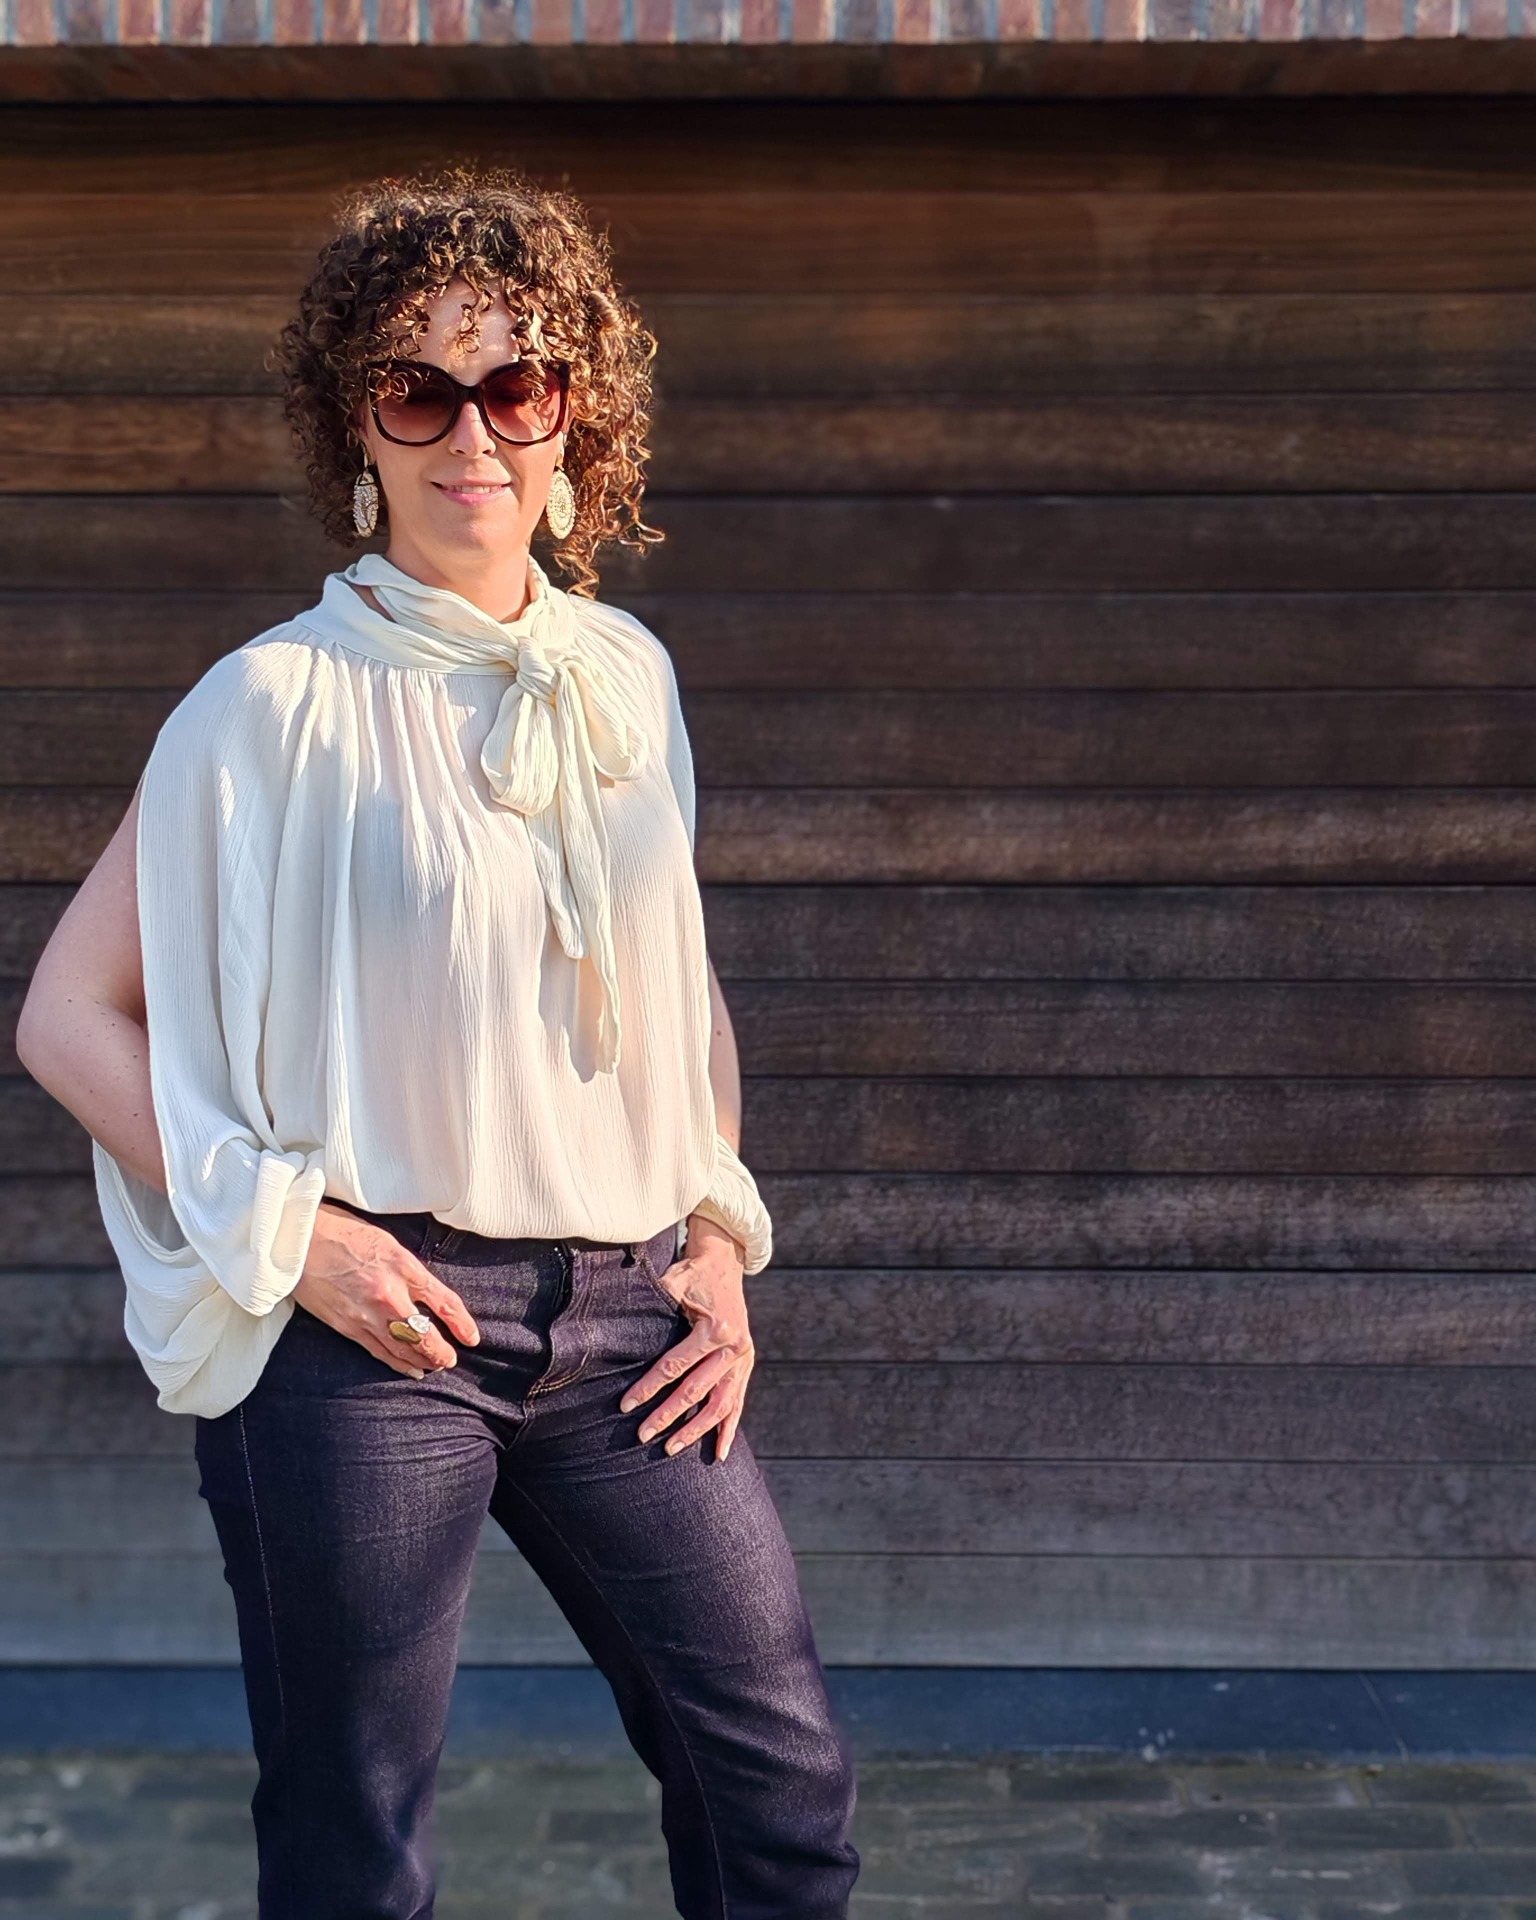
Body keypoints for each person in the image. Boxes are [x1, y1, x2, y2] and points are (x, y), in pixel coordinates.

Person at [16, 163, 860, 1919]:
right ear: (361, 427)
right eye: (420, 388)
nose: (472, 431)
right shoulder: (268, 706)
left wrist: (718, 1235)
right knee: (358, 1848)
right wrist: (293, 1236)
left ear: (574, 423)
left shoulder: (626, 671)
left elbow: (674, 983)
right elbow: (66, 1016)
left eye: (516, 384)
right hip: (369, 1331)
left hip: (629, 1311)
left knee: (779, 1794)